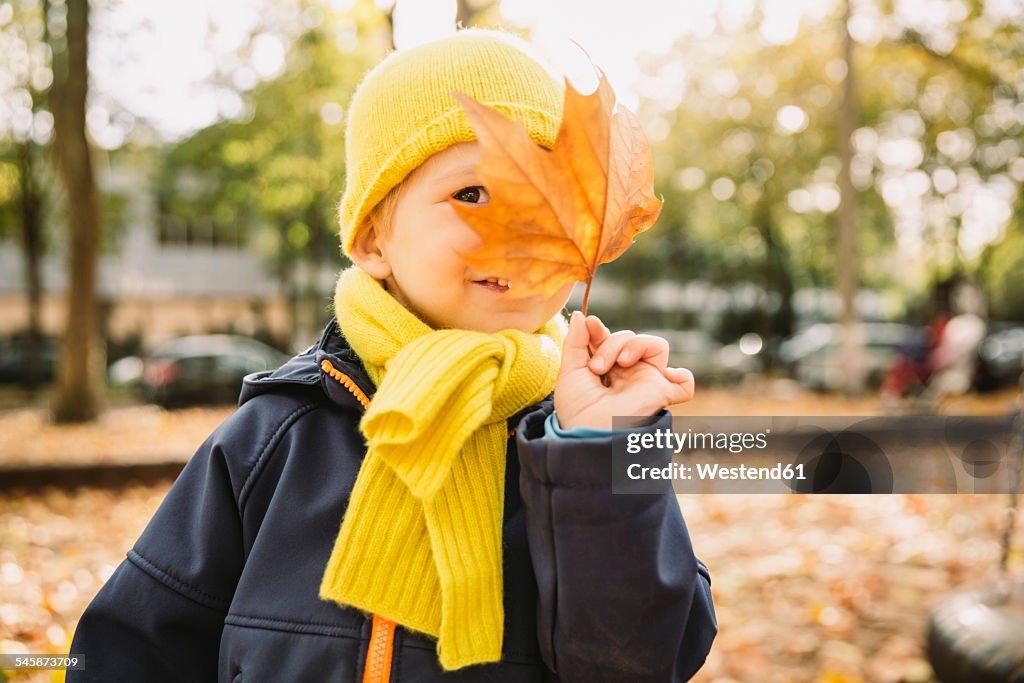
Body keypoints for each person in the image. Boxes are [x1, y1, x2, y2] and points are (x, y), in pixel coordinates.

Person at [67, 29, 717, 682]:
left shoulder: (572, 435)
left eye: (551, 208)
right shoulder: (275, 437)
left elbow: (641, 662)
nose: (524, 232)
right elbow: (132, 646)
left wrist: (599, 450)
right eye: (474, 194)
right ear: (374, 239)